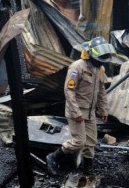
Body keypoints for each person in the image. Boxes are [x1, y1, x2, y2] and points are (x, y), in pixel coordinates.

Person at [46, 36, 115, 176]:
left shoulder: (99, 69)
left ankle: (86, 169)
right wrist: (76, 112)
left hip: (90, 112)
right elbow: (69, 90)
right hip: (76, 111)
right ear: (90, 54)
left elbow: (101, 90)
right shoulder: (77, 67)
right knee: (79, 141)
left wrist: (103, 109)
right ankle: (53, 157)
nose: (100, 62)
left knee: (91, 142)